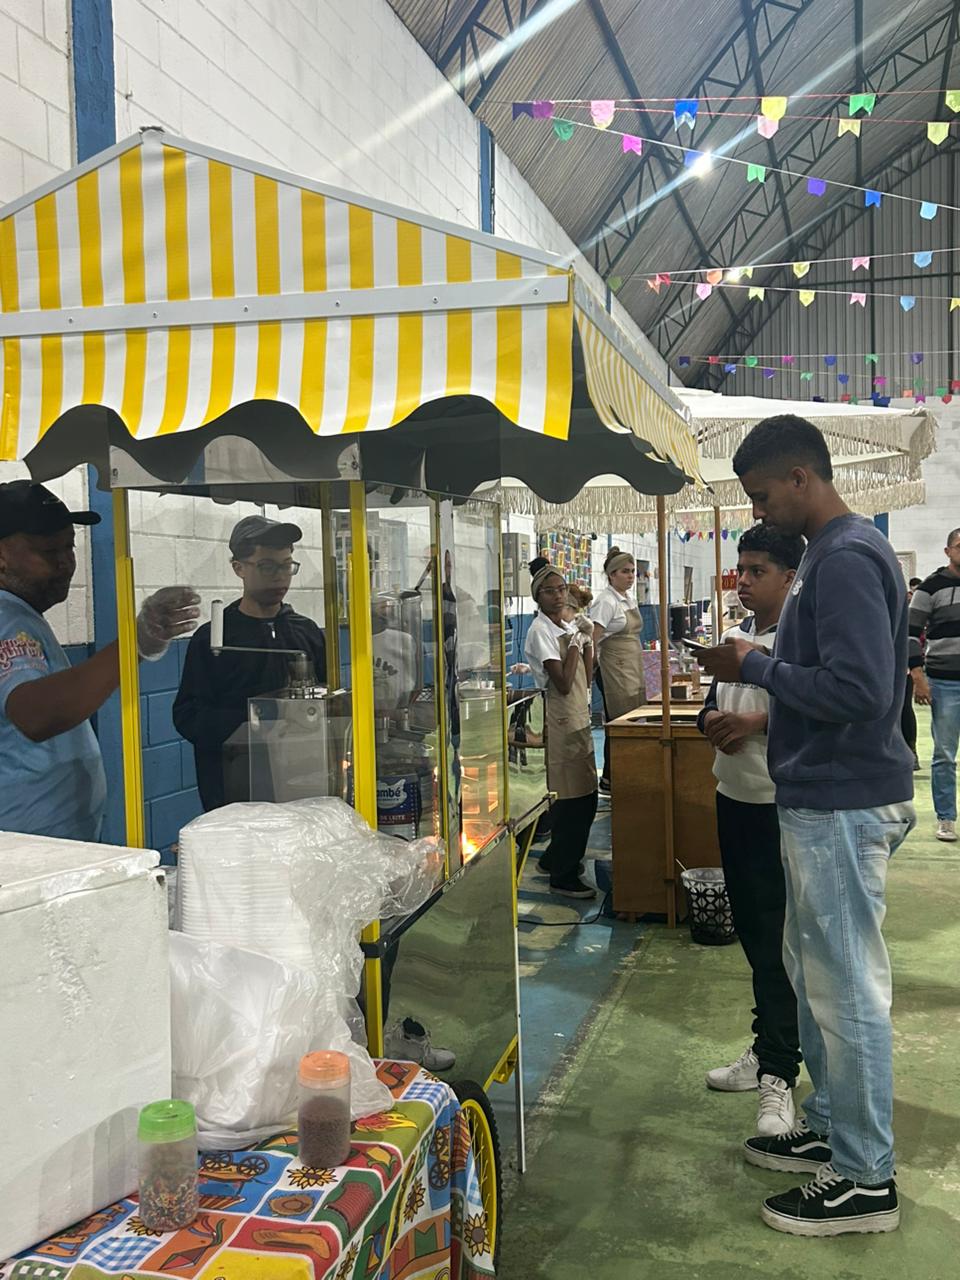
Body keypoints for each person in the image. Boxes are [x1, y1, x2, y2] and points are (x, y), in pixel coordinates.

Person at [699, 415, 914, 1238]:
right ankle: (831, 1126)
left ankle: (864, 1178)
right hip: (822, 795)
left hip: (843, 798)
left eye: (762, 495)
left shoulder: (848, 556)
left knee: (847, 989)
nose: (760, 511)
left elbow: (860, 690)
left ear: (800, 477)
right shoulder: (831, 554)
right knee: (816, 974)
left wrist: (754, 666)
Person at [0, 480, 199, 841]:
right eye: (48, 550)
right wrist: (135, 642)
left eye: (69, 546)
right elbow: (35, 715)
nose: (65, 563)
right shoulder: (6, 618)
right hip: (25, 847)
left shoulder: (22, 615)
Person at [698, 524, 805, 1138]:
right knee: (755, 937)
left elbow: (819, 708)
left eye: (757, 571)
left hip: (777, 806)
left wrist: (756, 724)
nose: (743, 580)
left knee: (780, 945)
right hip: (732, 799)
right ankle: (767, 1050)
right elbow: (709, 707)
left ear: (790, 577)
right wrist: (714, 721)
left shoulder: (800, 642)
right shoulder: (735, 640)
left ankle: (781, 1074)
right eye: (741, 570)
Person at [174, 515, 326, 811]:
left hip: (304, 784)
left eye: (287, 566)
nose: (280, 577)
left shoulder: (306, 632)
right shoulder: (214, 640)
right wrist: (259, 722)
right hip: (236, 792)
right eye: (267, 566)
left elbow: (327, 703)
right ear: (238, 568)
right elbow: (188, 716)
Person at [525, 568, 598, 898]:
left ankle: (555, 858)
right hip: (559, 719)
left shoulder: (566, 627)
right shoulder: (540, 631)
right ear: (538, 597)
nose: (558, 595)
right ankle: (562, 875)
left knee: (586, 795)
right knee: (572, 802)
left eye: (562, 588)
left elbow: (587, 674)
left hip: (578, 717)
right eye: (550, 591)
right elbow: (564, 683)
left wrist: (588, 641)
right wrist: (575, 645)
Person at [908, 531, 960, 841]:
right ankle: (946, 818)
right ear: (947, 551)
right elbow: (909, 633)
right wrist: (918, 676)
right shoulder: (930, 588)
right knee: (944, 754)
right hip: (945, 682)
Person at [590, 548, 645, 791]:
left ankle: (624, 771)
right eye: (625, 571)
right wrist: (591, 669)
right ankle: (612, 777)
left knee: (634, 716)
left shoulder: (628, 598)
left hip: (631, 665)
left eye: (633, 572)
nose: (631, 576)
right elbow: (592, 638)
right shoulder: (606, 601)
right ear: (612, 575)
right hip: (614, 668)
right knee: (620, 721)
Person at [900, 578, 923, 772]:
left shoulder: (903, 609)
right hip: (878, 667)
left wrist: (915, 670)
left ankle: (911, 750)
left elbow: (911, 638)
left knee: (904, 709)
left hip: (901, 668)